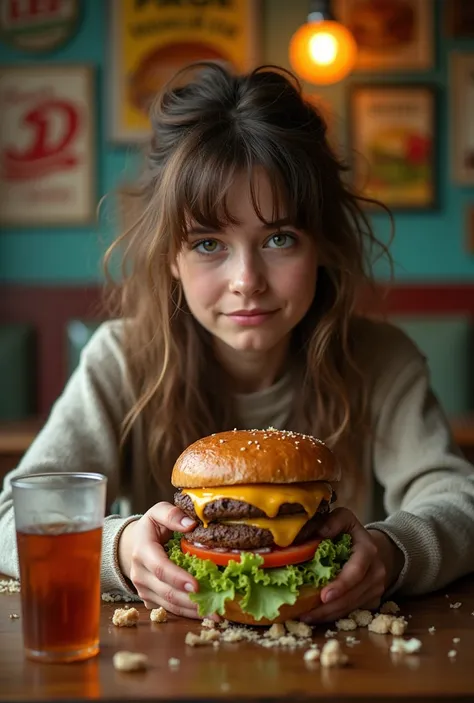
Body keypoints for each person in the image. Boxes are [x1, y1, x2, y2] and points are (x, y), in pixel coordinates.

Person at [1, 63, 473, 624]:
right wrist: (121, 549)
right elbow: (16, 512)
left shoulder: (378, 358)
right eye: (207, 244)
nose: (246, 279)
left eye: (279, 237)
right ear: (170, 258)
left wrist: (392, 553)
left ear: (319, 245)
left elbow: (460, 501)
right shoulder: (121, 360)